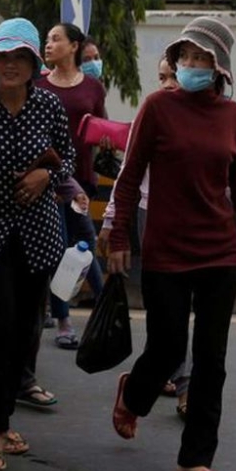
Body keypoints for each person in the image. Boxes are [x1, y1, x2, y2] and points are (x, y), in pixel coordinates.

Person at [107, 17, 236, 471]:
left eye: (203, 59)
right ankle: (134, 393)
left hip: (219, 252)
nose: (192, 66)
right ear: (177, 61)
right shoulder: (158, 107)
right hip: (166, 252)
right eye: (186, 57)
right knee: (167, 349)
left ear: (220, 68)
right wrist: (119, 234)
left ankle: (195, 459)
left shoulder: (234, 117)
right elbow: (130, 173)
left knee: (211, 361)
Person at [0, 19, 75, 471]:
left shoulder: (50, 105)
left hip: (38, 235)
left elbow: (68, 156)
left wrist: (45, 174)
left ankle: (5, 417)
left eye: (19, 58)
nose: (9, 66)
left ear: (34, 64)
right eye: (2, 58)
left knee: (26, 334)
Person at [98, 58, 189, 417]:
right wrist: (111, 222)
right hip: (150, 218)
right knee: (168, 312)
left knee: (191, 311)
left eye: (174, 76)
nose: (167, 84)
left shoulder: (214, 117)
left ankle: (185, 390)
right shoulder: (151, 115)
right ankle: (155, 373)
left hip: (199, 228)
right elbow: (127, 176)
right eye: (162, 77)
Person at [39, 23, 107, 351]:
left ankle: (105, 309)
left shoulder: (93, 87)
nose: (49, 45)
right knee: (60, 250)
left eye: (56, 39)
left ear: (74, 46)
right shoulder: (38, 86)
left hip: (84, 182)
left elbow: (102, 130)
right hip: (50, 183)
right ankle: (64, 320)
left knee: (85, 245)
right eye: (47, 40)